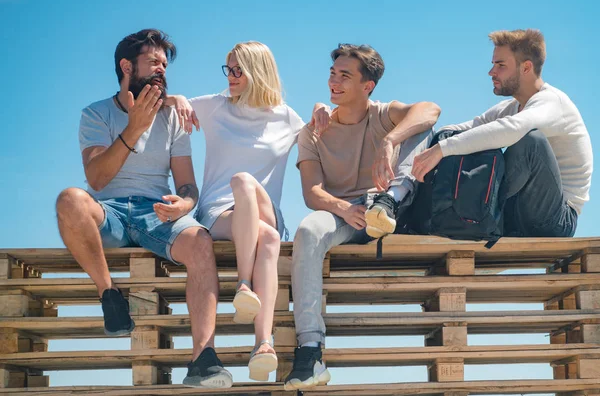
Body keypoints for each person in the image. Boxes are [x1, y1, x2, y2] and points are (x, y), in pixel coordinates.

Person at [55, 29, 232, 389]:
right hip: (110, 214)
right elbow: (98, 179)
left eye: (165, 64)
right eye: (153, 61)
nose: (161, 69)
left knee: (200, 240)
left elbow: (187, 185)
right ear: (126, 66)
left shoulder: (172, 117)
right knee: (70, 198)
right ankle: (109, 295)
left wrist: (185, 202)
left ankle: (204, 358)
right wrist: (133, 130)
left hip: (158, 213)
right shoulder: (96, 114)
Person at [284, 43, 441, 391]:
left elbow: (431, 109)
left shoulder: (383, 113)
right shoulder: (312, 131)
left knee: (419, 127)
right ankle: (310, 351)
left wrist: (390, 140)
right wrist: (344, 209)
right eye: (332, 74)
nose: (334, 82)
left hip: (389, 207)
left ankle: (389, 199)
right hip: (346, 214)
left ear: (367, 86)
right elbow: (312, 193)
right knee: (308, 229)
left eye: (345, 76)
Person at [168, 41, 306, 381]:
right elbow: (163, 107)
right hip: (218, 214)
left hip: (265, 207)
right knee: (270, 239)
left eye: (237, 70)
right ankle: (263, 343)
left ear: (257, 72)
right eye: (227, 69)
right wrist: (177, 99)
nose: (229, 76)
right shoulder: (215, 107)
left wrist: (321, 109)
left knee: (245, 183)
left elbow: (325, 140)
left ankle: (245, 285)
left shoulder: (287, 117)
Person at [412, 29, 593, 237]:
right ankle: (445, 216)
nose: (491, 72)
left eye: (500, 65)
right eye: (493, 64)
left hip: (557, 220)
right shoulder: (511, 107)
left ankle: (477, 215)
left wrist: (443, 150)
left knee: (531, 141)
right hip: (518, 213)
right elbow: (473, 127)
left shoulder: (553, 103)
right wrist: (436, 141)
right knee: (463, 138)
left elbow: (512, 129)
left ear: (526, 68)